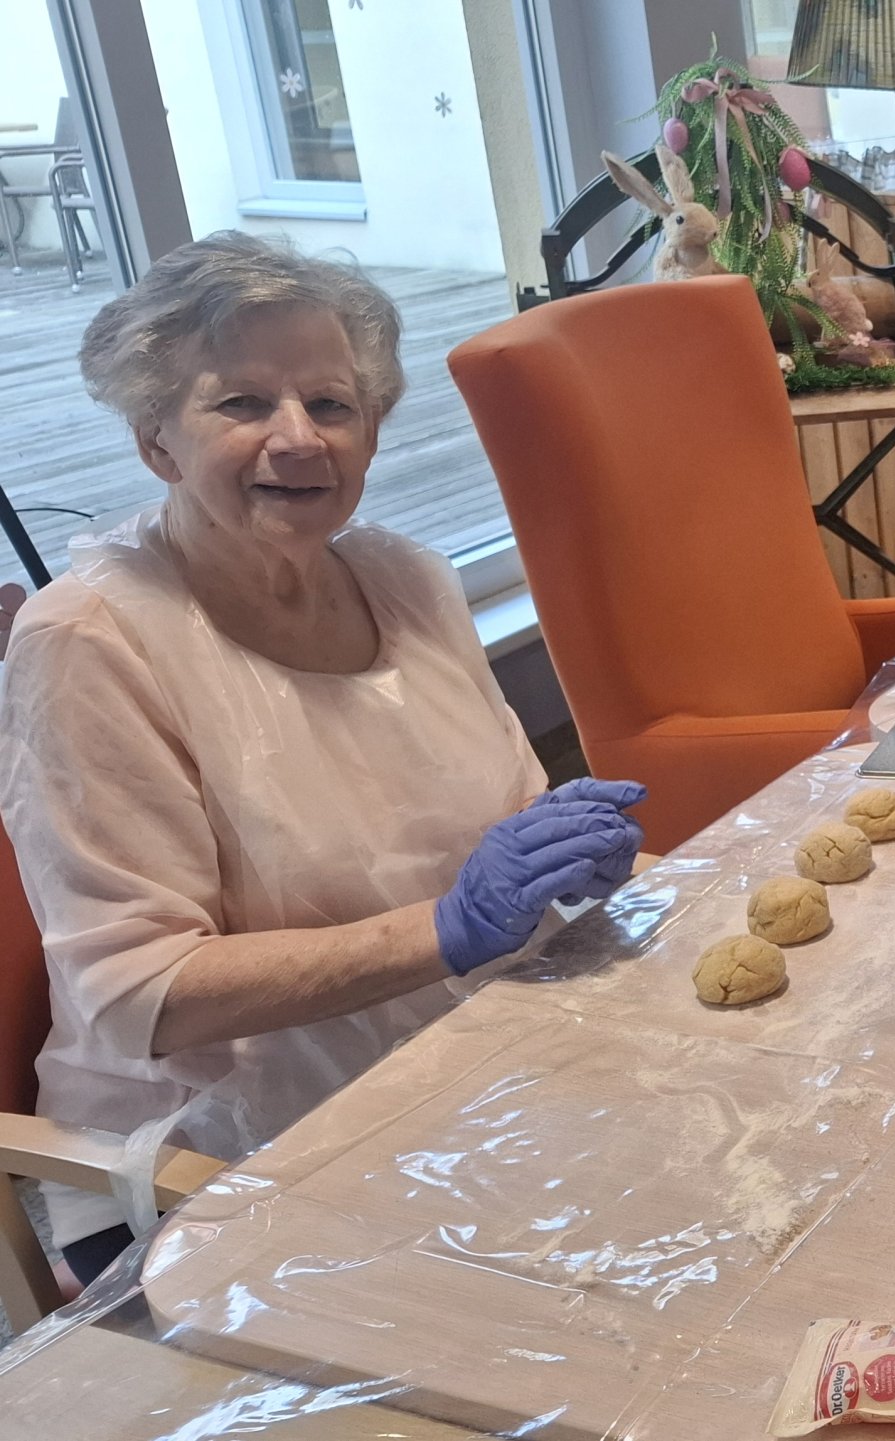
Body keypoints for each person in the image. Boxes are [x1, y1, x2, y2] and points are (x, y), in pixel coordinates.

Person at [0, 232, 648, 1286]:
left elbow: (511, 818)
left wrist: (565, 854)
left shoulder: (409, 581)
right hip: (204, 1160)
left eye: (332, 403)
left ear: (373, 428)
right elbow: (142, 993)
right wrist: (447, 928)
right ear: (156, 439)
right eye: (242, 403)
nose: (299, 438)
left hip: (445, 1068)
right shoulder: (90, 642)